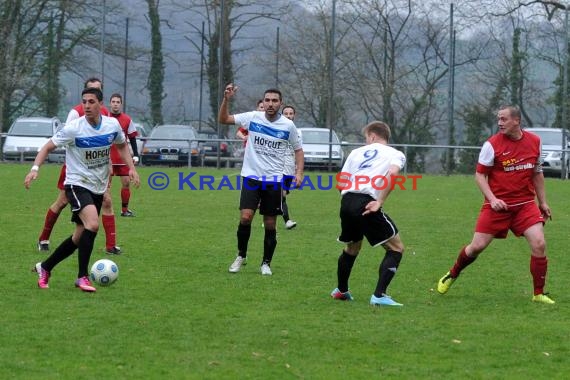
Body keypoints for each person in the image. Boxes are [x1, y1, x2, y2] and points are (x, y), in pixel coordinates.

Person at [25, 87, 140, 292]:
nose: (86, 105)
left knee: (79, 236)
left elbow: (122, 145)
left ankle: (45, 267)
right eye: (84, 101)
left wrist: (131, 168)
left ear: (100, 104)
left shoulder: (111, 125)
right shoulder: (74, 128)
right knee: (93, 225)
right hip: (76, 183)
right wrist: (35, 169)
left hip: (97, 185)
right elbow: (47, 147)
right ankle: (82, 277)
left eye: (91, 101)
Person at [437, 105, 554, 304]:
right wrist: (493, 199)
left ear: (516, 121)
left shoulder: (535, 142)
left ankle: (538, 293)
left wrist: (542, 202)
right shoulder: (491, 145)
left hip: (525, 204)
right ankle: (452, 273)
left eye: (503, 119)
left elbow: (537, 173)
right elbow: (480, 175)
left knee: (539, 244)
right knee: (476, 247)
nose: (499, 123)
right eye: (498, 119)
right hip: (498, 205)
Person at [219, 84, 304, 275]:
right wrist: (226, 99)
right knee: (246, 217)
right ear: (263, 103)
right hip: (251, 177)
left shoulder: (288, 126)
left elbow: (298, 150)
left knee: (270, 223)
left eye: (275, 101)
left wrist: (299, 173)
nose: (271, 104)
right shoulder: (252, 118)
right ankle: (241, 255)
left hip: (273, 180)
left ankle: (266, 263)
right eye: (267, 100)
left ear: (280, 103)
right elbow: (223, 119)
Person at [36, 77, 122, 255]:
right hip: (76, 169)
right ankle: (43, 238)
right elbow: (69, 140)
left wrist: (109, 161)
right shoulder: (76, 114)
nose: (89, 101)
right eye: (90, 90)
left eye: (97, 91)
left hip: (98, 168)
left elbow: (104, 142)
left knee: (106, 200)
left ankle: (110, 245)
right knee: (61, 202)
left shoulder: (105, 114)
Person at [331, 121, 406, 307]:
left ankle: (341, 290)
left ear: (372, 136)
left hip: (347, 201)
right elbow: (393, 174)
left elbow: (341, 183)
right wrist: (379, 201)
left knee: (352, 247)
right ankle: (379, 295)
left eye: (366, 138)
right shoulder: (396, 154)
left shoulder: (355, 153)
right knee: (396, 248)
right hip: (367, 203)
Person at [109, 93, 139, 217]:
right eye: (113, 101)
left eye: (118, 102)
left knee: (126, 183)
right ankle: (103, 209)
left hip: (122, 158)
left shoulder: (127, 119)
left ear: (121, 104)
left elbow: (132, 138)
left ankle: (124, 210)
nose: (115, 104)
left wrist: (136, 154)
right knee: (105, 186)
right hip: (107, 158)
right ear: (110, 103)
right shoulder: (104, 117)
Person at [281, 105, 298, 230]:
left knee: (283, 194)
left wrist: (298, 169)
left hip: (289, 168)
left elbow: (298, 151)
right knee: (280, 193)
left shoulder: (298, 132)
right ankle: (287, 221)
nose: (288, 115)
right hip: (276, 166)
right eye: (286, 113)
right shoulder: (277, 128)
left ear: (294, 115)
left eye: (290, 113)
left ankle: (269, 215)